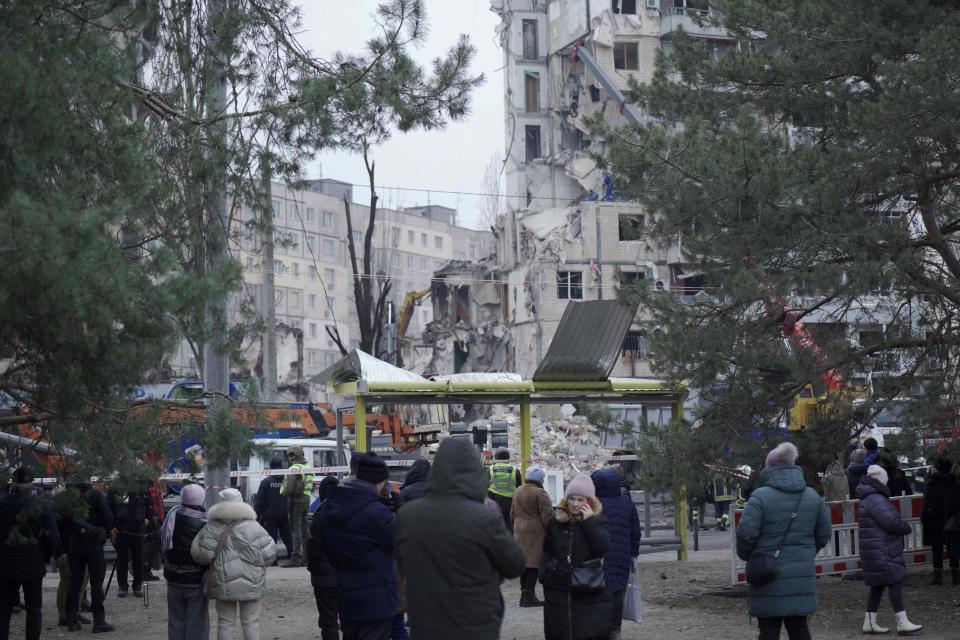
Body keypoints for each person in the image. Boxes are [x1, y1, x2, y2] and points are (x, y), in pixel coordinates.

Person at [397, 438, 525, 640]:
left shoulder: (407, 516)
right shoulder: (484, 518)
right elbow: (514, 565)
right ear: (475, 473)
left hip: (425, 624)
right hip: (476, 623)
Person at [735, 442, 831, 640]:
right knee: (799, 627)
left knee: (769, 629)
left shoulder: (759, 498)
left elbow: (746, 534)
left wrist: (749, 556)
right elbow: (824, 533)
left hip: (767, 574)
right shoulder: (812, 496)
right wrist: (805, 554)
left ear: (768, 468)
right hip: (801, 574)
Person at [317, 453, 397, 640]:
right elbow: (400, 541)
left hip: (346, 593)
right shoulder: (376, 513)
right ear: (379, 481)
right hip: (377, 598)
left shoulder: (331, 507)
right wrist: (398, 512)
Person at [191, 488, 277, 640]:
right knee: (251, 622)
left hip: (223, 583)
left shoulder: (211, 527)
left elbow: (199, 555)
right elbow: (270, 554)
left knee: (225, 622)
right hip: (252, 583)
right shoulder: (255, 527)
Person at [540, 473, 612, 640]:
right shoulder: (556, 521)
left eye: (580, 500)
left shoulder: (597, 520)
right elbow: (546, 550)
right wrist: (546, 573)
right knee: (559, 632)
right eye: (572, 498)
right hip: (558, 589)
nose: (575, 504)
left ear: (589, 501)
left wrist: (588, 522)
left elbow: (602, 547)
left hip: (588, 588)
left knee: (584, 631)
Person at [857, 464, 922, 634]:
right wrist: (905, 527)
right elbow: (891, 521)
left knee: (878, 585)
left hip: (874, 549)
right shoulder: (876, 498)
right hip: (883, 549)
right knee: (895, 580)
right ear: (881, 481)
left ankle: (869, 623)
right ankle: (902, 622)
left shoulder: (868, 497)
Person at [0, 467, 63, 640]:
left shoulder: (2, 503)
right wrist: (46, 556)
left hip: (5, 564)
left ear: (12, 482)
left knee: (3, 610)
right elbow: (52, 537)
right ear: (31, 483)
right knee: (34, 610)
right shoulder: (42, 505)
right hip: (33, 563)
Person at [592, 467, 641, 639]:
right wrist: (633, 553)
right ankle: (615, 628)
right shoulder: (627, 502)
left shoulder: (593, 504)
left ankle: (599, 626)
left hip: (599, 554)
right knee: (618, 589)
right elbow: (635, 531)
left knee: (598, 588)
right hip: (622, 554)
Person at [64, 475, 115, 633]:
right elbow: (108, 517)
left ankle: (72, 620)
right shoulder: (97, 495)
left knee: (74, 583)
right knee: (96, 584)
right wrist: (103, 529)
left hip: (75, 547)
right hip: (93, 546)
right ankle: (99, 621)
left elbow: (63, 521)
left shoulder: (69, 499)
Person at [161, 484, 209, 640]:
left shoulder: (171, 515)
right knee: (197, 622)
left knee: (175, 620)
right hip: (195, 581)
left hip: (173, 578)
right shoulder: (205, 524)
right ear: (201, 501)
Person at [510, 465, 554, 608]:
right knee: (533, 564)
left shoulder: (518, 491)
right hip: (534, 533)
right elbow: (547, 516)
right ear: (539, 479)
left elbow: (512, 513)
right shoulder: (540, 493)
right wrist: (553, 531)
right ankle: (529, 597)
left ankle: (524, 595)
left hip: (519, 530)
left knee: (524, 564)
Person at [109, 481, 154, 598]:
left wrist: (148, 518)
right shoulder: (116, 486)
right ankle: (123, 586)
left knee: (138, 557)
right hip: (121, 527)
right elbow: (109, 506)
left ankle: (137, 585)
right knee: (122, 558)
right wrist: (111, 525)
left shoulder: (141, 486)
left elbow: (148, 503)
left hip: (137, 526)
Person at [307, 477, 339, 640]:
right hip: (347, 574)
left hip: (324, 576)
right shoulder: (349, 509)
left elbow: (314, 545)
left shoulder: (321, 513)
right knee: (349, 619)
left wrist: (312, 568)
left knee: (328, 619)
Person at [921, 455, 960, 586]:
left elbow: (927, 502)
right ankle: (956, 576)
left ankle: (938, 577)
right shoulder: (954, 481)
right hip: (951, 519)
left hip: (935, 520)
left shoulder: (932, 482)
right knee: (952, 547)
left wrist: (925, 517)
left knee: (936, 548)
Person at [279, 446, 313, 567]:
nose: (289, 458)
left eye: (290, 455)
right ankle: (307, 557)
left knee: (295, 530)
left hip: (295, 501)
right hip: (306, 500)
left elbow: (287, 489)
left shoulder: (294, 468)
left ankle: (295, 558)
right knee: (305, 529)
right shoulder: (307, 467)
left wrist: (282, 492)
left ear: (293, 455)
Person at [253, 460, 292, 565]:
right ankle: (291, 554)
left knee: (272, 538)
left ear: (271, 468)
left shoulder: (266, 482)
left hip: (270, 515)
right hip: (284, 513)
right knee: (287, 536)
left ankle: (274, 560)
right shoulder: (286, 480)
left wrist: (255, 515)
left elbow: (259, 500)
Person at [487, 447, 522, 529]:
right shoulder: (515, 470)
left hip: (494, 504)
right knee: (509, 528)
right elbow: (519, 489)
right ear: (508, 458)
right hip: (510, 505)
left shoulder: (490, 470)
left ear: (496, 457)